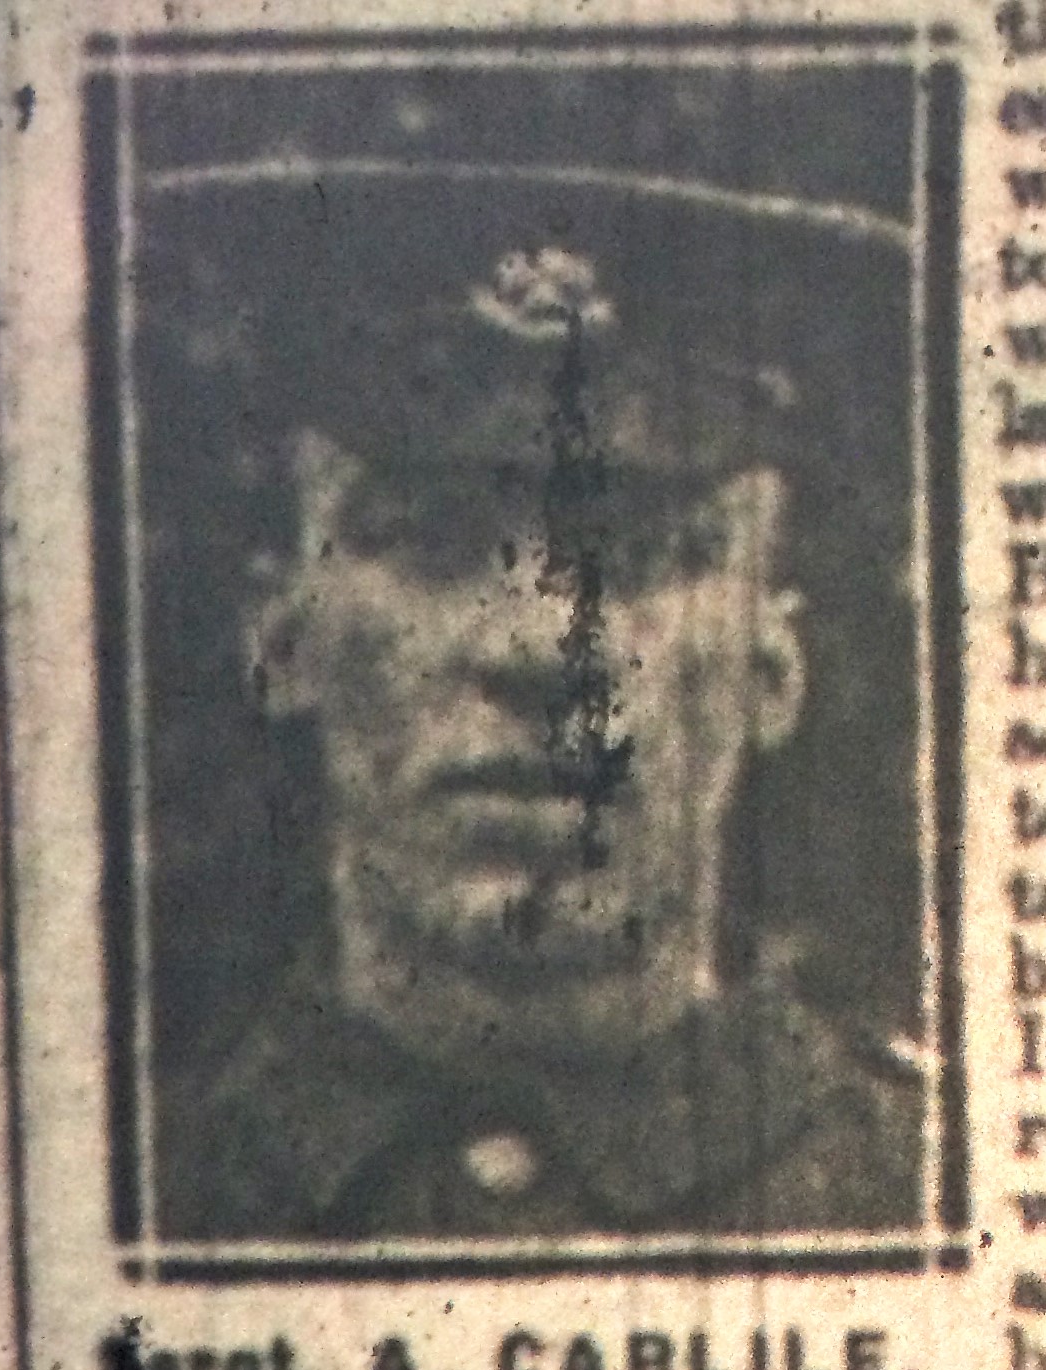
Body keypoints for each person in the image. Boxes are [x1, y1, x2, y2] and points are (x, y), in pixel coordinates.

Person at [160, 245, 923, 1242]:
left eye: (637, 555)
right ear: (282, 643)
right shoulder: (134, 1183)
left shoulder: (926, 1181)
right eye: (431, 541)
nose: (536, 648)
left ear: (771, 670)